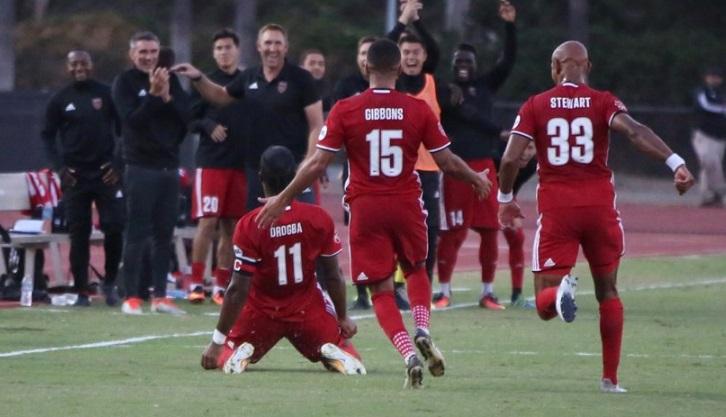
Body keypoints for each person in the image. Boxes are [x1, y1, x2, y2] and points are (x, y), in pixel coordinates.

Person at [255, 39, 492, 388]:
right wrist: (475, 179)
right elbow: (446, 161)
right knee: (415, 269)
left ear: (366, 68)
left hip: (366, 207)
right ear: (398, 69)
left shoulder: (346, 109)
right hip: (407, 203)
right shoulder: (417, 109)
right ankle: (423, 327)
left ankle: (408, 354)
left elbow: (318, 162)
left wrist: (282, 198)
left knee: (381, 289)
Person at [498, 40, 695, 393]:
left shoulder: (536, 105)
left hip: (558, 210)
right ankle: (610, 379)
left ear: (555, 67)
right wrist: (676, 163)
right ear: (587, 65)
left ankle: (559, 294)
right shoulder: (604, 101)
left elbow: (511, 158)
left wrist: (506, 198)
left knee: (544, 305)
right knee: (609, 292)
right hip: (601, 208)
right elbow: (635, 131)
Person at [200, 146, 365, 376]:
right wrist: (342, 317)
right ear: (296, 176)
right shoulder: (318, 217)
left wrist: (217, 342)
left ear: (260, 177)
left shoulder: (251, 223)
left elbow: (238, 288)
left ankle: (238, 351)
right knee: (351, 355)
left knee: (224, 351)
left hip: (262, 310)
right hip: (307, 308)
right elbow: (333, 274)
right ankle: (331, 348)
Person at [172, 23, 324, 209]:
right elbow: (220, 96)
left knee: (300, 225)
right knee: (259, 229)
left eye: (278, 43)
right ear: (259, 46)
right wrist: (198, 77)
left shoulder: (301, 78)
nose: (273, 48)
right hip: (258, 171)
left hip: (294, 169)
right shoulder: (249, 76)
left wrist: (308, 162)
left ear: (286, 47)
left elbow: (316, 125)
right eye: (268, 43)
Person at [434, 0, 517, 310]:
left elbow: (507, 61)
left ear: (475, 64)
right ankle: (443, 291)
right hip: (456, 168)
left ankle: (487, 291)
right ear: (453, 65)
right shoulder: (445, 91)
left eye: (468, 61)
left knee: (489, 231)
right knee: (452, 233)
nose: (464, 66)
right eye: (459, 62)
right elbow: (463, 114)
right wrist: (497, 130)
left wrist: (510, 26)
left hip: (484, 164)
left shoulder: (485, 85)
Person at [112, 31, 191, 315]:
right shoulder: (124, 83)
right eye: (142, 52)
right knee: (136, 233)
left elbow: (187, 118)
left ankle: (160, 296)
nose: (148, 57)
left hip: (169, 168)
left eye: (152, 52)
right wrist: (156, 98)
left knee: (164, 234)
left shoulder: (168, 79)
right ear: (132, 54)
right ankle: (131, 296)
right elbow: (131, 122)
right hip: (139, 168)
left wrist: (168, 97)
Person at [40, 50, 124, 307]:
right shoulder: (60, 99)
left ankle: (109, 283)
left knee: (114, 226)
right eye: (74, 64)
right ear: (68, 67)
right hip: (74, 176)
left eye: (84, 63)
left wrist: (118, 164)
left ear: (91, 65)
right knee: (79, 233)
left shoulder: (107, 93)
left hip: (105, 174)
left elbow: (124, 131)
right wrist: (60, 168)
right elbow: (47, 135)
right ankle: (81, 291)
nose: (79, 68)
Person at [187, 28, 249, 305]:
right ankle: (196, 282)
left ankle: (220, 286)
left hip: (239, 163)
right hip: (211, 163)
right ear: (214, 53)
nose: (224, 52)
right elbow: (189, 119)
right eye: (219, 48)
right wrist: (208, 125)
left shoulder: (247, 80)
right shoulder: (205, 83)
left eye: (228, 47)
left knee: (231, 226)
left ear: (237, 50)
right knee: (207, 222)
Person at [386, 0, 446, 284]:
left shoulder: (432, 83)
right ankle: (390, 282)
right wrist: (402, 19)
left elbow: (435, 48)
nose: (410, 57)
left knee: (430, 227)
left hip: (428, 169)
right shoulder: (391, 83)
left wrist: (416, 20)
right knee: (392, 227)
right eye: (405, 52)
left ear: (424, 56)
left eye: (415, 52)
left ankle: (424, 281)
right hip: (397, 169)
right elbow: (380, 50)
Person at [331, 35, 377, 310]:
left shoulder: (390, 86)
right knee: (357, 232)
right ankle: (361, 291)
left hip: (386, 172)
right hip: (356, 168)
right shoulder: (346, 86)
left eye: (370, 52)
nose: (365, 58)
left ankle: (393, 287)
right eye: (361, 53)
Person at [691, 66, 726, 207]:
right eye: (711, 76)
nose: (714, 79)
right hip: (704, 135)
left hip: (720, 137)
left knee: (709, 166)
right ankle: (720, 190)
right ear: (706, 77)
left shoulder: (722, 93)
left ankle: (708, 197)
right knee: (710, 162)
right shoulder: (701, 92)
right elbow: (705, 106)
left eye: (717, 76)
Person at [300, 48, 332, 113]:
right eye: (312, 63)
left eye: (321, 64)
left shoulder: (329, 91)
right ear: (301, 67)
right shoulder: (291, 88)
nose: (317, 67)